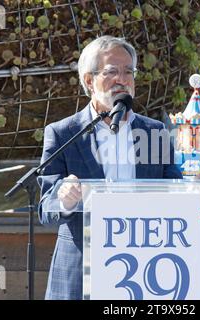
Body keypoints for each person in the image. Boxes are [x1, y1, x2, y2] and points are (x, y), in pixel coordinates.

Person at [37, 35, 182, 300]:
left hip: (146, 270)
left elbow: (176, 192)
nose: (122, 79)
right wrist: (64, 198)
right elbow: (46, 207)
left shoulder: (155, 133)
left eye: (129, 72)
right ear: (89, 80)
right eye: (112, 71)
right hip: (81, 273)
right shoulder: (62, 133)